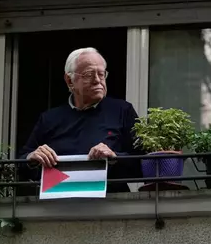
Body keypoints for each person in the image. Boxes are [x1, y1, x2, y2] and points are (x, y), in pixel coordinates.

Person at [18, 47, 142, 191]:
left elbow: (144, 163)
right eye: (89, 74)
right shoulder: (49, 119)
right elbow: (21, 164)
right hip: (57, 204)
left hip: (110, 205)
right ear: (70, 80)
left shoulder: (122, 110)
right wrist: (32, 157)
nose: (97, 81)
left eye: (101, 74)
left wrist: (115, 157)